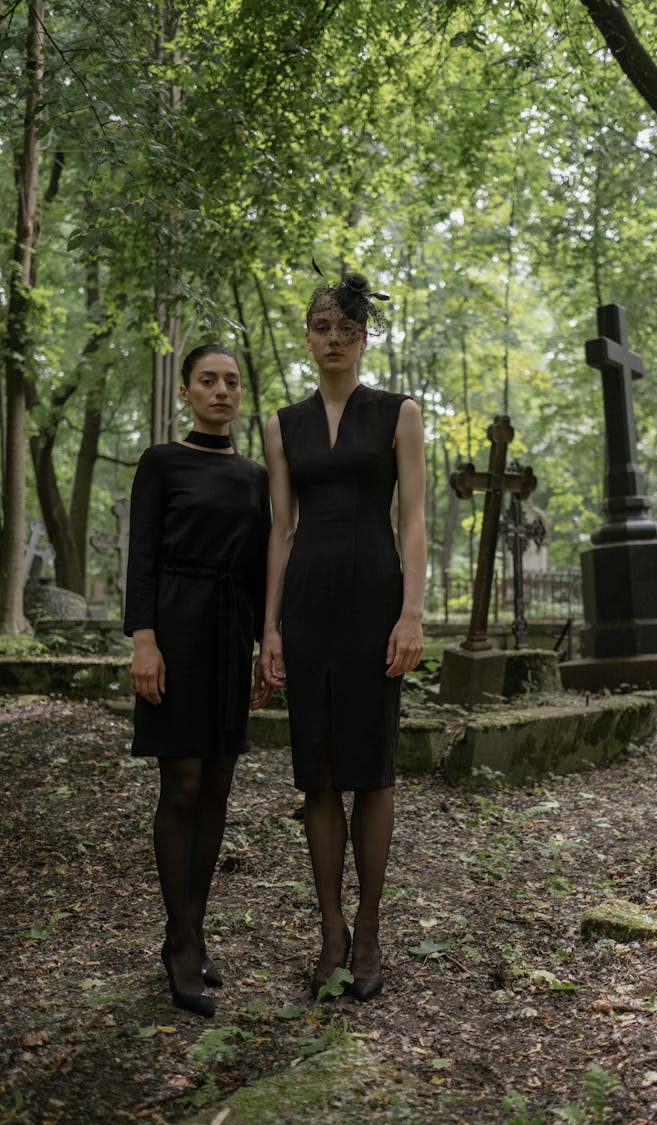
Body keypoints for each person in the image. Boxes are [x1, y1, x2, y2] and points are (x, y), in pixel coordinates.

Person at [259, 271, 426, 1001]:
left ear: (364, 338)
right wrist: (268, 627)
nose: (333, 340)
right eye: (321, 327)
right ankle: (328, 928)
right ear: (307, 335)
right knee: (318, 773)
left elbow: (413, 519)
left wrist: (413, 611)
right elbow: (281, 528)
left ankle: (368, 927)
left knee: (373, 770)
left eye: (346, 330)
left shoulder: (399, 412)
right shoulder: (281, 425)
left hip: (374, 605)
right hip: (306, 609)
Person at [124, 344, 271, 1018]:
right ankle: (180, 942)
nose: (221, 391)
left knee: (217, 783)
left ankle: (192, 926)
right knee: (180, 781)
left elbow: (261, 567)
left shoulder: (255, 476)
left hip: (228, 631)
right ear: (186, 391)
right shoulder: (161, 462)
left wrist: (263, 645)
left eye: (231, 382)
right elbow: (144, 555)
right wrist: (144, 639)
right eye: (208, 380)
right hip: (174, 629)